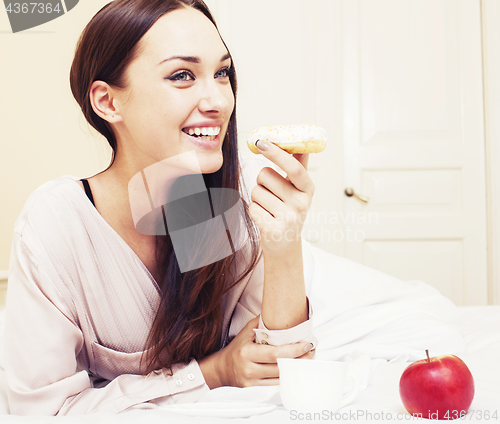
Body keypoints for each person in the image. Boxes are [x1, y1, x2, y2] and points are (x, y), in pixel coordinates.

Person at [3, 0, 317, 415]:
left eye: (222, 73)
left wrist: (284, 245)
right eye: (182, 75)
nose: (220, 102)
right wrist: (211, 372)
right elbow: (40, 413)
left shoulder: (220, 211)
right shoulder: (57, 223)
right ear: (108, 102)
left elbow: (278, 367)